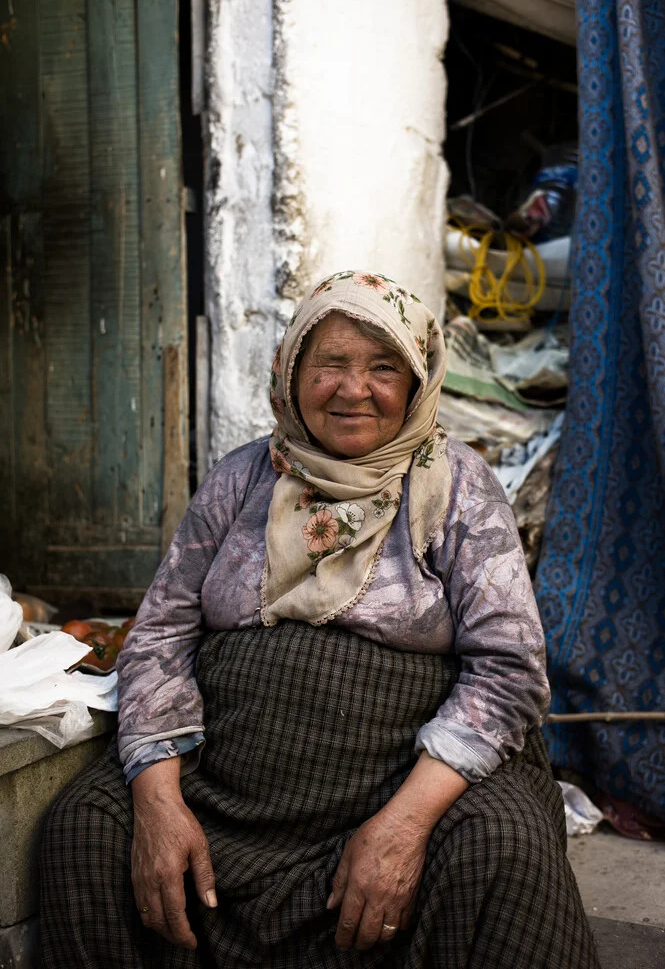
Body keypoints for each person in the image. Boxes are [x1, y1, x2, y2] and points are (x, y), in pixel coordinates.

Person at [40, 270, 599, 968]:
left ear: (418, 379)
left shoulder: (458, 489)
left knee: (502, 845)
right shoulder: (241, 478)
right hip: (228, 784)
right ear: (290, 371)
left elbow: (509, 668)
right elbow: (159, 634)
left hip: (403, 781)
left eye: (382, 367)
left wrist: (402, 825)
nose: (352, 389)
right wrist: (160, 802)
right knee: (87, 828)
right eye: (329, 363)